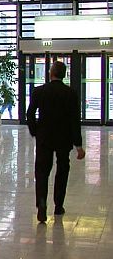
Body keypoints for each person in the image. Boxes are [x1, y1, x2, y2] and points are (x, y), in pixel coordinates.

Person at [27, 61, 85, 223]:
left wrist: (35, 131)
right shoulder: (70, 93)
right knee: (62, 171)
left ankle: (42, 204)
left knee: (42, 172)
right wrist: (78, 145)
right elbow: (75, 121)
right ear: (64, 75)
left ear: (50, 73)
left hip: (44, 138)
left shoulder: (39, 91)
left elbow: (30, 113)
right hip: (63, 139)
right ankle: (58, 205)